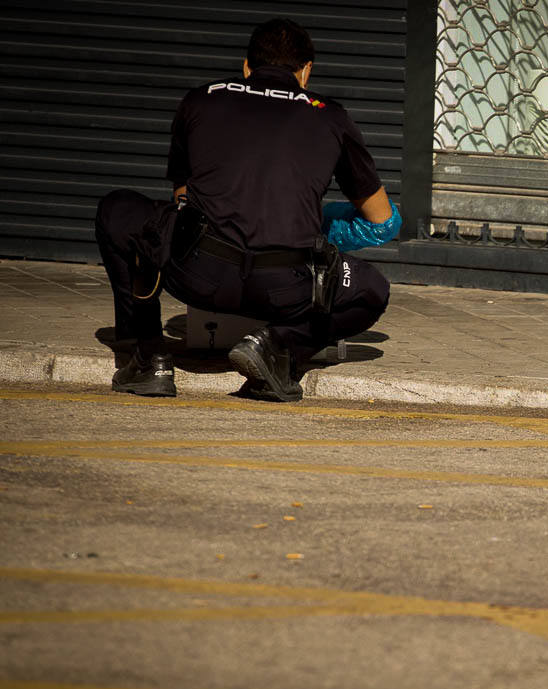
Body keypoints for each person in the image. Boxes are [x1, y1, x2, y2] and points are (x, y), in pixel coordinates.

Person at [95, 18, 397, 402]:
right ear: (306, 71)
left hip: (198, 276)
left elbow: (183, 199)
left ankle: (148, 355)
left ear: (246, 66)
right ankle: (277, 346)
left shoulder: (202, 98)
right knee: (373, 290)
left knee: (117, 209)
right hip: (287, 288)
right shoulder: (330, 115)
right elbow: (380, 218)